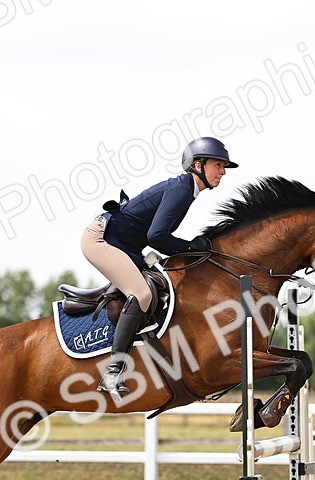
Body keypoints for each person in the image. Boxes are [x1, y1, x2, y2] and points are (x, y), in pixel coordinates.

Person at [81, 136, 238, 398]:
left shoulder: (187, 190)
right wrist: (191, 247)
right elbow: (157, 236)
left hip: (124, 245)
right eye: (218, 165)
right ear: (198, 165)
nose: (222, 172)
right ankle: (112, 373)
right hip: (101, 239)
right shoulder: (182, 189)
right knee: (141, 293)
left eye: (223, 167)